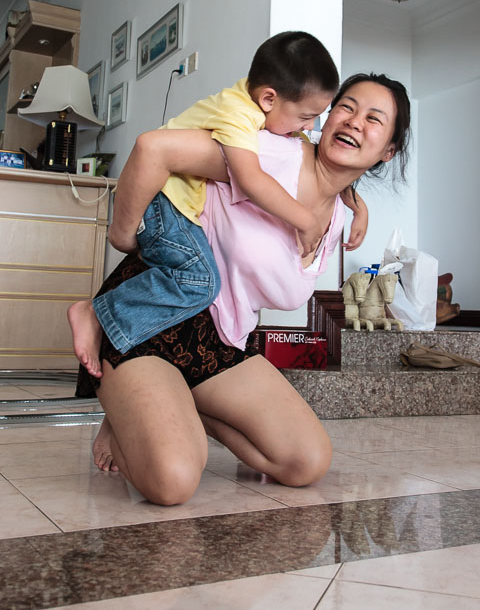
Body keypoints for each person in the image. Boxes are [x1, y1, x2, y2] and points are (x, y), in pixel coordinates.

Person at [76, 73, 411, 501]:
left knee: (307, 461)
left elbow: (327, 191)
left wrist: (354, 201)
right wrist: (123, 238)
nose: (353, 121)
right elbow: (153, 149)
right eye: (346, 106)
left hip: (223, 340)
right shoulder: (268, 154)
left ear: (388, 151)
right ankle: (127, 406)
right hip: (148, 317)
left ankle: (166, 407)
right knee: (173, 482)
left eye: (373, 118)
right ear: (325, 116)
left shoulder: (340, 218)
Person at [68, 32, 368, 377]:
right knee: (199, 281)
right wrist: (305, 219)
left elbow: (328, 166)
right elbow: (250, 179)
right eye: (305, 117)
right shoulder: (238, 116)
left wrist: (358, 206)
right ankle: (97, 314)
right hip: (166, 204)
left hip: (176, 205)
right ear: (268, 99)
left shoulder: (260, 109)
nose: (309, 127)